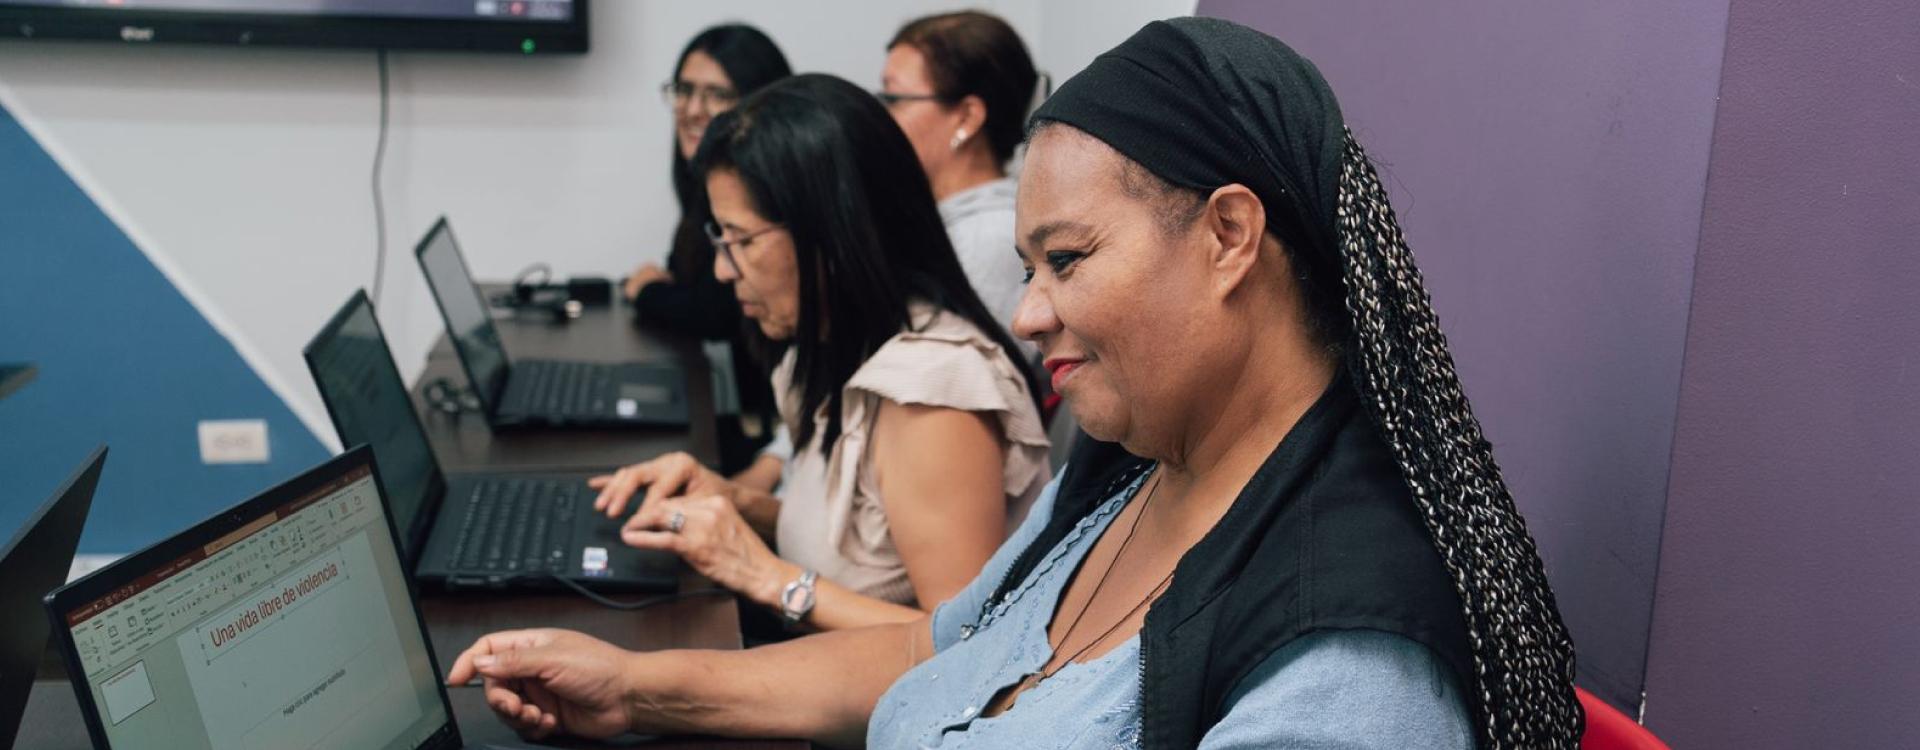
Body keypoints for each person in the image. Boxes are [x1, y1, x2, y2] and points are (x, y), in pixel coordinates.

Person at [448, 18, 1583, 749]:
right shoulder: (1129, 465)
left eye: (1069, 261)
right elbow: (947, 653)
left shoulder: (1344, 659)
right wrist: (638, 693)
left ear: (1231, 235)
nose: (1028, 312)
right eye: (1029, 267)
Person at [593, 74, 1051, 633]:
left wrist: (762, 574)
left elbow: (958, 647)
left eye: (741, 241)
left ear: (831, 234)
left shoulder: (931, 394)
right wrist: (730, 500)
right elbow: (864, 554)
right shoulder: (843, 343)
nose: (721, 268)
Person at [623, 24, 791, 476]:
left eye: (717, 94)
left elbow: (715, 311)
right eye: (685, 90)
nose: (693, 110)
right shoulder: (701, 183)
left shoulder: (772, 191)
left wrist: (647, 293)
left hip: (772, 432)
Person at [879, 10, 1039, 340]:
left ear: (967, 117)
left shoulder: (991, 239)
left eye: (893, 99)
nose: (881, 117)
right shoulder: (946, 223)